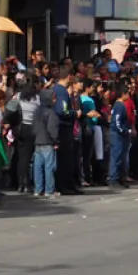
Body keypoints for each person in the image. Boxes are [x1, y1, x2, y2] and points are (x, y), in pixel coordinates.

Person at [53, 66, 81, 195]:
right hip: (64, 127)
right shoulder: (62, 91)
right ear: (69, 76)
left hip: (61, 127)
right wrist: (75, 113)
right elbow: (62, 110)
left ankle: (65, 184)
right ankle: (64, 185)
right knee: (65, 158)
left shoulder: (57, 89)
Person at [32, 89, 59, 198]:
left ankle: (38, 189)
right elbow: (52, 129)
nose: (55, 100)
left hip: (38, 141)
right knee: (49, 167)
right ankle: (49, 190)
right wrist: (56, 140)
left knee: (37, 167)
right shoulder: (50, 112)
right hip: (48, 142)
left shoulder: (37, 111)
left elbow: (33, 127)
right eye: (53, 97)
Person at [108, 82, 132, 189]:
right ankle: (113, 179)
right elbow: (117, 121)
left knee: (121, 156)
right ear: (123, 94)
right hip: (117, 135)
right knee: (116, 156)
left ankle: (120, 178)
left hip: (120, 135)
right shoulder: (119, 105)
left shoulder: (121, 105)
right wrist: (123, 131)